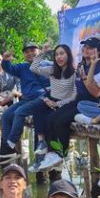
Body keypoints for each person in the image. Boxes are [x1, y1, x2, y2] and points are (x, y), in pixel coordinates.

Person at [43, 37, 100, 181]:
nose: (85, 50)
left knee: (62, 121)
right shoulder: (82, 64)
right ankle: (52, 153)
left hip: (90, 104)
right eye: (84, 47)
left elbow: (96, 93)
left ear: (97, 50)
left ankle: (61, 155)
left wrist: (83, 76)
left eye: (89, 47)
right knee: (50, 118)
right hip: (77, 101)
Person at [0, 42, 51, 161]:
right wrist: (5, 60)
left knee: (20, 112)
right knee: (6, 115)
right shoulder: (22, 67)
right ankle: (8, 149)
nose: (29, 53)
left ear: (39, 50)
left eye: (32, 50)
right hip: (26, 100)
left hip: (41, 100)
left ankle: (13, 144)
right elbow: (8, 68)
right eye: (26, 52)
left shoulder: (49, 65)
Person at [28, 44, 78, 173]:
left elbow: (74, 96)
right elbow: (33, 67)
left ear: (68, 55)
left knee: (50, 119)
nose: (59, 57)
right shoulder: (52, 70)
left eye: (62, 54)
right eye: (56, 54)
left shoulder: (74, 73)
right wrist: (43, 53)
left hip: (66, 103)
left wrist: (58, 104)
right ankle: (41, 144)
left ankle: (56, 154)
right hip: (52, 100)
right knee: (37, 107)